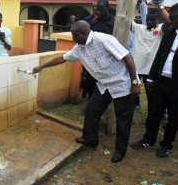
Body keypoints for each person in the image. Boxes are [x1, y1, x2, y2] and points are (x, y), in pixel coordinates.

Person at [32, 20, 140, 163]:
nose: (72, 39)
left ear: (83, 33)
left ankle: (120, 151)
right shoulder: (79, 47)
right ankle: (91, 138)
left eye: (74, 35)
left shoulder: (103, 40)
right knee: (91, 109)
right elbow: (62, 58)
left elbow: (127, 57)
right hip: (104, 84)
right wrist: (41, 67)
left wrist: (134, 83)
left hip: (122, 83)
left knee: (123, 120)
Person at [131, 3, 178, 158]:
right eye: (170, 18)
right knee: (154, 112)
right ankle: (148, 139)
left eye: (174, 18)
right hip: (160, 81)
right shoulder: (170, 33)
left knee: (173, 117)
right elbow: (159, 57)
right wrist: (151, 78)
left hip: (176, 86)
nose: (171, 21)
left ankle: (166, 144)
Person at [131, 0, 170, 110]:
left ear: (157, 21)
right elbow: (125, 20)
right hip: (136, 69)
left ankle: (151, 118)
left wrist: (160, 7)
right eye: (147, 20)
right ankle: (130, 113)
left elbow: (168, 21)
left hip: (151, 71)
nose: (149, 22)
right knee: (132, 94)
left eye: (152, 20)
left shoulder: (159, 30)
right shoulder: (138, 28)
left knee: (152, 97)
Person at [81, 0, 115, 99]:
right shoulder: (92, 23)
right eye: (97, 9)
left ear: (108, 8)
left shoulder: (115, 22)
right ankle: (91, 104)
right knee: (91, 84)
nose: (98, 11)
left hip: (109, 60)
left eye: (101, 9)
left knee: (107, 86)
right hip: (94, 60)